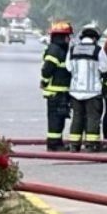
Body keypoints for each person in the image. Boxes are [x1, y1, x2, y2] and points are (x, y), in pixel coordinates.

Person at [66, 24, 107, 152]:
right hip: (93, 91)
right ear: (95, 38)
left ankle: (74, 144)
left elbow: (68, 67)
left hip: (75, 91)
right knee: (92, 118)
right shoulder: (97, 50)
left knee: (77, 117)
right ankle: (91, 144)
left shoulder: (73, 50)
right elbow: (105, 67)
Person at [40, 21, 74, 151]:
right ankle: (54, 144)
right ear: (61, 37)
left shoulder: (60, 50)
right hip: (55, 92)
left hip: (61, 91)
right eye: (67, 36)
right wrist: (44, 81)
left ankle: (57, 141)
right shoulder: (55, 50)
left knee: (59, 118)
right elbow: (47, 69)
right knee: (55, 119)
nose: (68, 39)